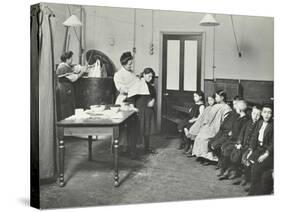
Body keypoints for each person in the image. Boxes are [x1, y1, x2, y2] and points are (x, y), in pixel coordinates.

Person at [192, 90, 232, 162]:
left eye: (216, 96)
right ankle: (202, 156)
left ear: (222, 97)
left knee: (205, 138)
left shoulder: (227, 108)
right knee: (199, 136)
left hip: (218, 127)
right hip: (210, 126)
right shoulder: (215, 106)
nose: (215, 98)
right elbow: (208, 117)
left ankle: (210, 158)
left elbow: (226, 121)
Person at [217, 100, 250, 179]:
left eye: (237, 107)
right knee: (224, 146)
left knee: (228, 149)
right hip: (232, 138)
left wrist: (239, 142)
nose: (236, 109)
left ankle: (231, 170)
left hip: (238, 141)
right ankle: (225, 169)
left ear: (240, 109)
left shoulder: (245, 120)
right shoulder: (238, 117)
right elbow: (234, 128)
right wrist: (231, 132)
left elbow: (243, 133)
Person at [206, 96, 241, 166]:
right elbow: (224, 123)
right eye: (234, 104)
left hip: (229, 134)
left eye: (237, 104)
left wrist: (230, 132)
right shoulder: (232, 113)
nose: (235, 106)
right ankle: (219, 159)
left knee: (216, 145)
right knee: (210, 142)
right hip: (222, 131)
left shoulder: (240, 115)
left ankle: (222, 161)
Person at [231, 105, 261, 186]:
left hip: (252, 147)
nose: (256, 116)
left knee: (245, 158)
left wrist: (251, 148)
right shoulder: (248, 122)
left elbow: (255, 138)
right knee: (235, 153)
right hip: (243, 144)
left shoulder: (259, 125)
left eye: (258, 114)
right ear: (251, 113)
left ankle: (245, 177)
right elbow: (241, 133)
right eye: (254, 113)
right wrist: (239, 143)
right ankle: (237, 172)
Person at [247, 103, 273, 195]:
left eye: (269, 113)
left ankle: (253, 192)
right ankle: (254, 187)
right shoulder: (260, 123)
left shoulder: (273, 125)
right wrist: (251, 150)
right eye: (265, 112)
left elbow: (273, 143)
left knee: (257, 167)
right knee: (249, 160)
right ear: (261, 113)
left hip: (269, 153)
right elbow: (254, 137)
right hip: (258, 149)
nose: (267, 115)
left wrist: (266, 154)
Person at [56, 51, 86, 119]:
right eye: (71, 58)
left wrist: (81, 68)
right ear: (67, 59)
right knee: (67, 107)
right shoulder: (63, 67)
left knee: (65, 106)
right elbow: (74, 78)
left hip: (63, 88)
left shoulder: (63, 65)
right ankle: (67, 123)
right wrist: (82, 72)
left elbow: (73, 68)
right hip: (65, 89)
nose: (72, 59)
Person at [135, 68, 158, 154]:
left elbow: (153, 96)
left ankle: (146, 147)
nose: (150, 78)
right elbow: (133, 97)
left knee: (147, 129)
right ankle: (134, 149)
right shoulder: (138, 84)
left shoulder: (150, 86)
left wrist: (153, 101)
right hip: (140, 108)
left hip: (148, 109)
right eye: (149, 76)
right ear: (144, 74)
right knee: (139, 128)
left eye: (152, 76)